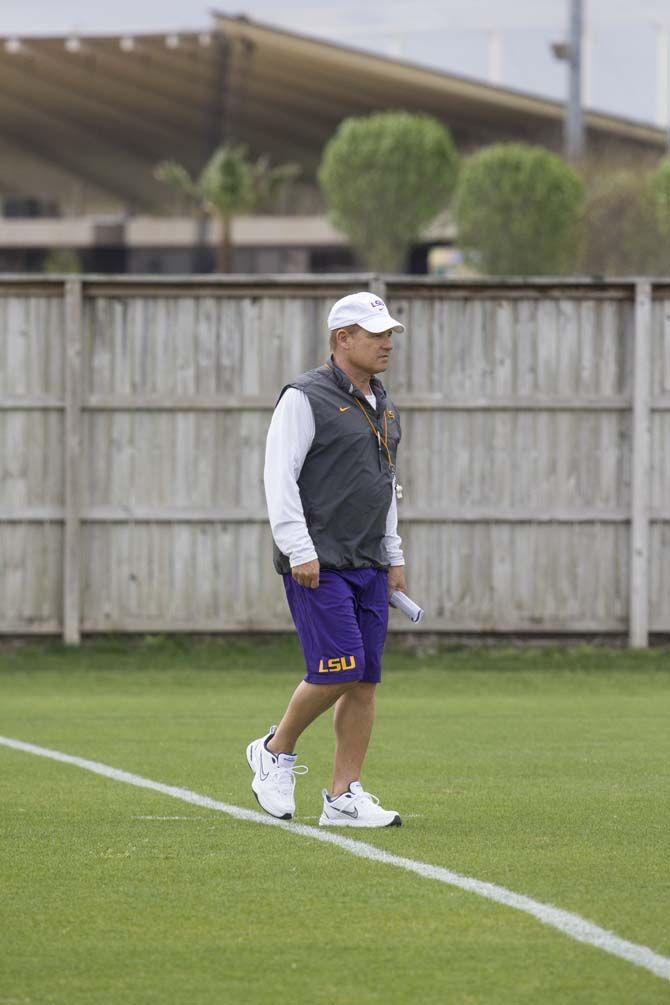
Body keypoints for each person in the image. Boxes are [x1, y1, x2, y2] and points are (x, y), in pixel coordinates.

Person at [246, 291, 408, 828]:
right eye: (375, 333)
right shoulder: (304, 396)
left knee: (364, 681)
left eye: (389, 334)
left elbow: (385, 487)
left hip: (369, 564)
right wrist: (299, 549)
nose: (387, 343)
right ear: (343, 338)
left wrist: (393, 555)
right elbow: (279, 477)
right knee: (339, 668)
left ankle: (343, 796)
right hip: (319, 562)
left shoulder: (383, 404)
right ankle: (275, 749)